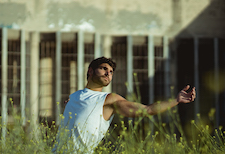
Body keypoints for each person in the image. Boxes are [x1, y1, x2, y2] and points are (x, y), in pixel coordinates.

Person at [52, 57, 196, 153]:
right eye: (104, 69)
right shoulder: (74, 96)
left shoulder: (108, 99)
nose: (108, 73)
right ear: (90, 71)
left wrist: (176, 100)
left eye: (111, 72)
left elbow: (148, 110)